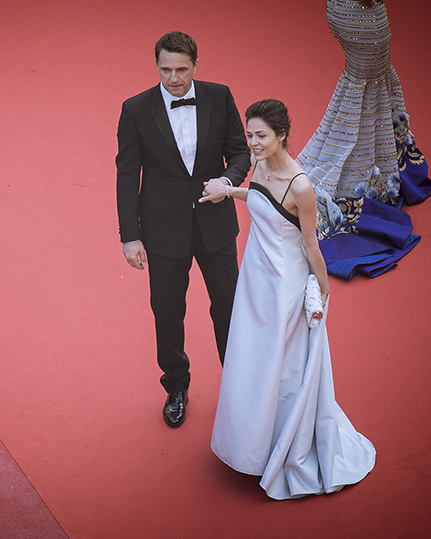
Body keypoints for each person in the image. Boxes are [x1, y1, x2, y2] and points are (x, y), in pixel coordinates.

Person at [204, 99, 376, 500]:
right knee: (251, 354)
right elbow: (262, 199)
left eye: (261, 136)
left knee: (280, 365)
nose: (254, 143)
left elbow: (310, 245)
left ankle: (280, 448)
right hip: (256, 278)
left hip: (284, 284)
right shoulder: (261, 165)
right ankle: (251, 442)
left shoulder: (302, 185)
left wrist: (322, 290)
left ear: (282, 135)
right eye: (250, 135)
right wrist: (230, 191)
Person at [115, 31, 250, 427]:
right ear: (156, 66)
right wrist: (130, 235)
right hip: (162, 230)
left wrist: (228, 181)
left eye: (181, 69)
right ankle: (176, 386)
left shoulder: (220, 96)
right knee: (168, 313)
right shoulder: (136, 108)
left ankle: (240, 385)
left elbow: (240, 151)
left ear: (196, 64)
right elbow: (127, 174)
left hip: (215, 222)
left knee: (229, 308)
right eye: (165, 69)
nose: (173, 78)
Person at [296, 0, 431, 279]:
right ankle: (364, 175)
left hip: (348, 8)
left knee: (372, 79)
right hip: (362, 10)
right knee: (368, 78)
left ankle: (377, 166)